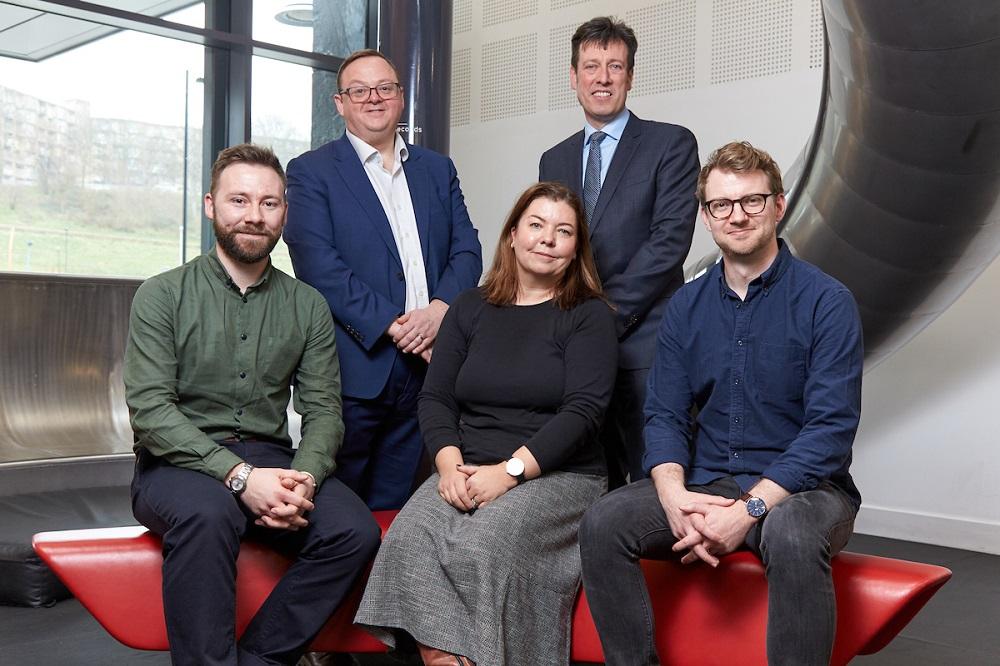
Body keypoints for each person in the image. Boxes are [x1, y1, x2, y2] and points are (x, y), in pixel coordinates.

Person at [578, 141, 864, 665]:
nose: (737, 216)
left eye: (752, 201)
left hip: (806, 491)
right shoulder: (685, 307)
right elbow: (663, 414)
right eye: (721, 205)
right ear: (706, 217)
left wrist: (749, 510)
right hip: (706, 482)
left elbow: (829, 431)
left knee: (793, 533)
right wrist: (671, 496)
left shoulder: (828, 301)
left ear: (778, 206)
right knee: (603, 522)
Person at [124, 144, 381, 666]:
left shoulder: (307, 305)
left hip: (274, 459)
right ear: (210, 205)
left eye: (269, 203)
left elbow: (325, 411)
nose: (254, 215)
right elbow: (151, 413)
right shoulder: (161, 295)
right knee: (209, 510)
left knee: (353, 532)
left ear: (284, 212)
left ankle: (259, 659)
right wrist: (240, 477)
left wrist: (303, 479)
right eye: (239, 200)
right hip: (175, 466)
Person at [353, 182, 618, 666]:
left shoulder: (589, 315)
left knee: (484, 545)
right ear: (513, 234)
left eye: (563, 232)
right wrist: (450, 467)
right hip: (465, 465)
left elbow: (583, 414)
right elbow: (435, 397)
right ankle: (445, 661)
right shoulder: (470, 308)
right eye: (536, 225)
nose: (547, 239)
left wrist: (508, 473)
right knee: (408, 540)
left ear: (576, 248)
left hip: (559, 475)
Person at [284, 49, 483, 511]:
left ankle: (387, 586)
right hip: (356, 368)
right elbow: (318, 266)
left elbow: (467, 249)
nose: (373, 98)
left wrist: (439, 312)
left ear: (399, 96)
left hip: (430, 366)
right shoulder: (311, 171)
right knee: (338, 508)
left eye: (384, 88)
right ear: (340, 102)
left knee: (401, 505)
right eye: (359, 90)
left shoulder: (437, 169)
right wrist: (397, 326)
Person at [539, 16, 700, 488]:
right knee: (585, 478)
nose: (602, 78)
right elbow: (550, 248)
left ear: (630, 75)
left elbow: (668, 243)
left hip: (645, 342)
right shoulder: (555, 159)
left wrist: (602, 317)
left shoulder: (670, 143)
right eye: (591, 66)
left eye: (615, 66)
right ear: (574, 77)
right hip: (572, 347)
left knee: (657, 479)